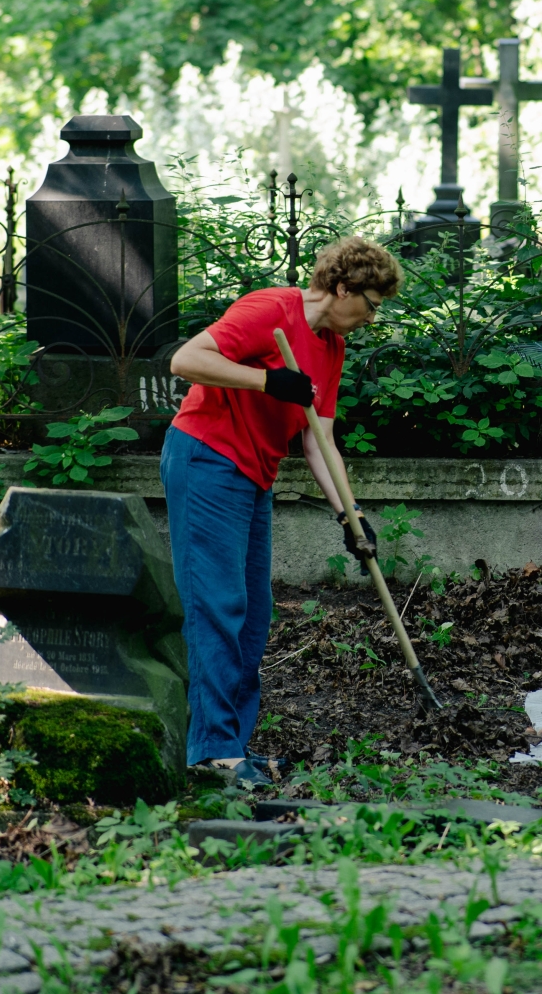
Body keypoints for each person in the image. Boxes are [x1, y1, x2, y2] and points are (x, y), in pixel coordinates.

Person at [163, 236, 401, 782]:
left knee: (254, 616)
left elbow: (320, 442)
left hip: (253, 475)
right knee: (216, 605)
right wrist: (268, 380)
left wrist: (351, 514)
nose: (371, 316)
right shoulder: (270, 309)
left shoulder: (331, 348)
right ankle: (211, 750)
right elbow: (186, 360)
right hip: (207, 459)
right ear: (342, 287)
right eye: (370, 302)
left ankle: (233, 748)